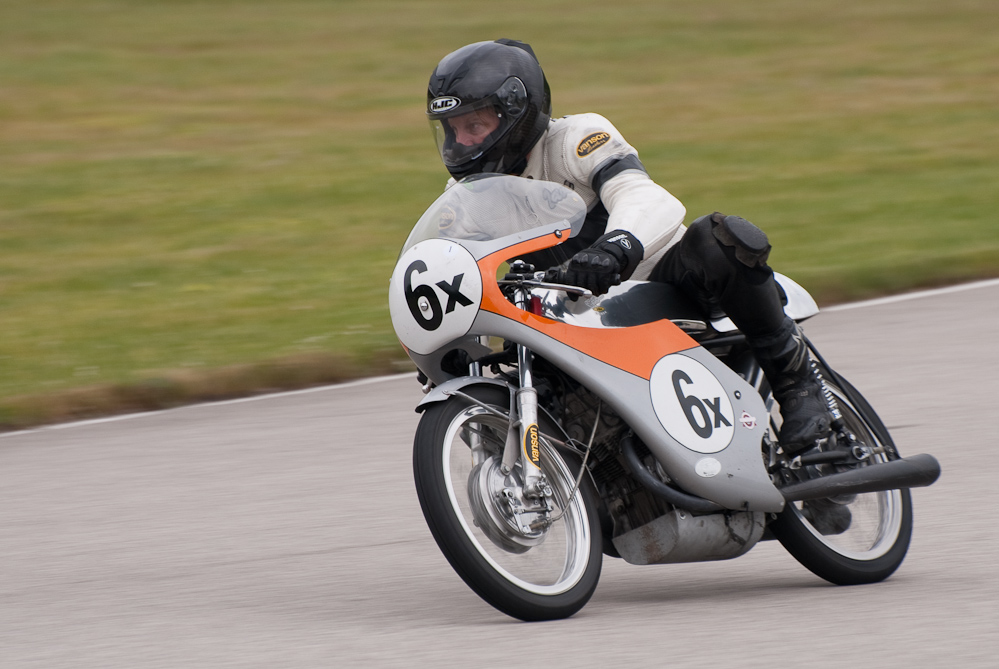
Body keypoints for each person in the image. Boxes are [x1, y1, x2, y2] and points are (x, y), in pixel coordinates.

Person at [425, 38, 832, 454]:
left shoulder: (576, 138)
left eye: (473, 126)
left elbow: (644, 195)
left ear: (516, 111)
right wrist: (447, 340)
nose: (461, 143)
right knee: (513, 364)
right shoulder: (467, 197)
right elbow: (450, 268)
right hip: (574, 317)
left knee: (719, 238)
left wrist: (615, 248)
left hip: (664, 282)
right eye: (453, 130)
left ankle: (798, 386)